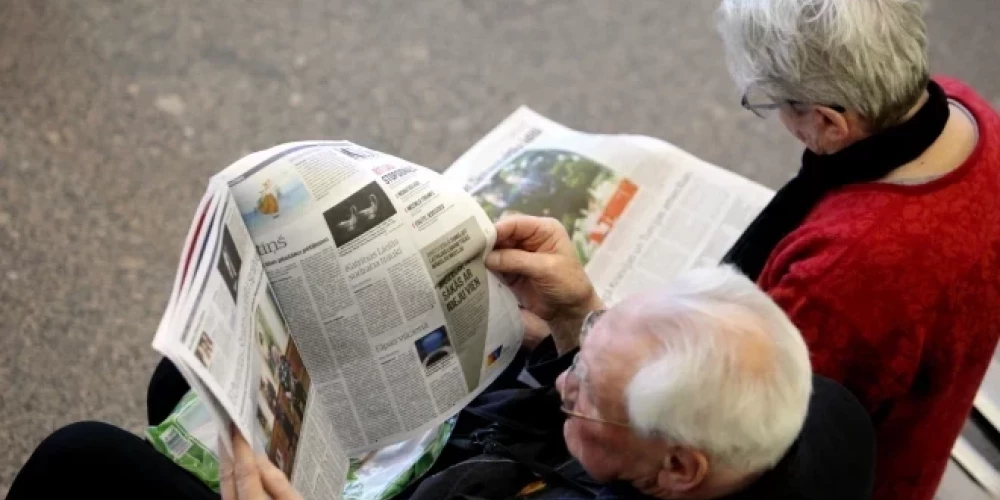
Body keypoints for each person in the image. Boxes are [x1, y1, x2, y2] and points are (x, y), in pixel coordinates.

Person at [6, 218, 876, 499]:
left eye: (581, 392)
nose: (565, 375)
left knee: (82, 461)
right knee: (181, 380)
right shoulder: (810, 413)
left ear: (678, 467)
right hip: (467, 452)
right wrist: (580, 317)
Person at [711, 0, 1000, 498]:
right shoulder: (964, 107)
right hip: (930, 419)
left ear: (828, 123)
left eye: (775, 103)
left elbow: (746, 434)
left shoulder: (841, 273)